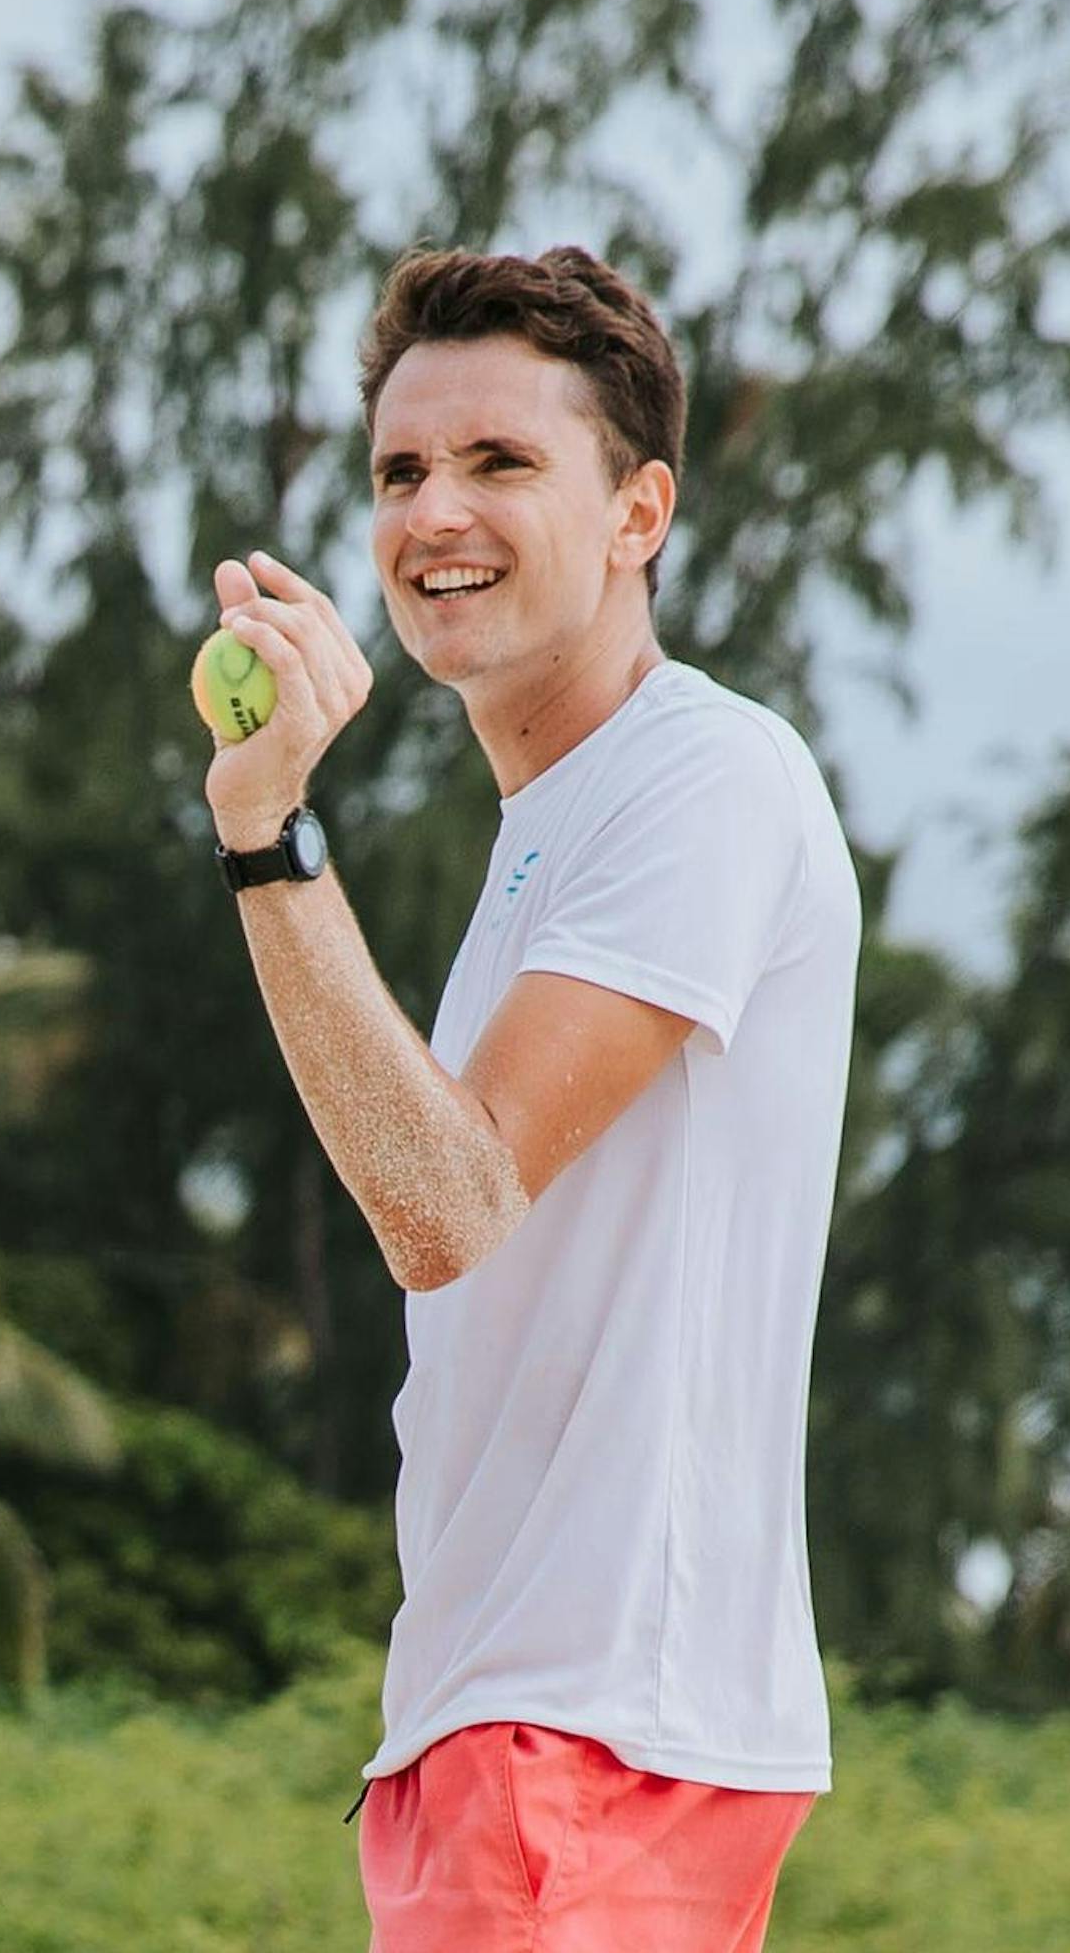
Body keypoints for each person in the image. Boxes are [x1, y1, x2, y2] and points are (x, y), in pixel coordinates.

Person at [200, 246, 859, 1952]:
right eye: (402, 472)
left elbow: (445, 1201)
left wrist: (270, 837)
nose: (436, 514)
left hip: (585, 1739)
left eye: (502, 463)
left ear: (640, 512)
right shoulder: (554, 836)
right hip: (514, 1732)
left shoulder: (702, 775)